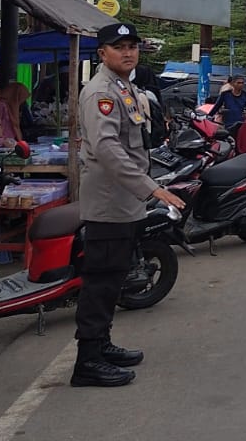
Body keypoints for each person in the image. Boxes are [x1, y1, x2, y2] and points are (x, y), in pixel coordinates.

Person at [72, 22, 186, 388]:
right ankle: (87, 361)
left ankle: (101, 345)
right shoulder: (100, 93)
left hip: (124, 203)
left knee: (114, 278)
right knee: (101, 282)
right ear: (102, 53)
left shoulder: (127, 88)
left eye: (132, 46)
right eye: (118, 46)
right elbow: (107, 149)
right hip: (108, 203)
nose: (128, 52)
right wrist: (151, 189)